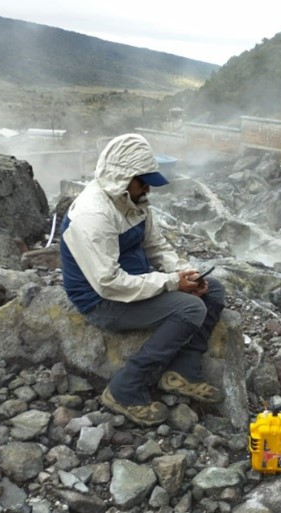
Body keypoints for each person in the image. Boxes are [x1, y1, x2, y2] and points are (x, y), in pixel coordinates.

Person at [60, 133, 226, 426]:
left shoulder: (131, 199)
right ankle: (125, 387)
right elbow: (109, 283)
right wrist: (172, 283)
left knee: (213, 291)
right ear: (122, 177)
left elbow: (156, 246)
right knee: (191, 308)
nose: (148, 187)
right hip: (102, 301)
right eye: (143, 180)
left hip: (133, 281)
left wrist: (185, 273)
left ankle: (182, 371)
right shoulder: (93, 216)